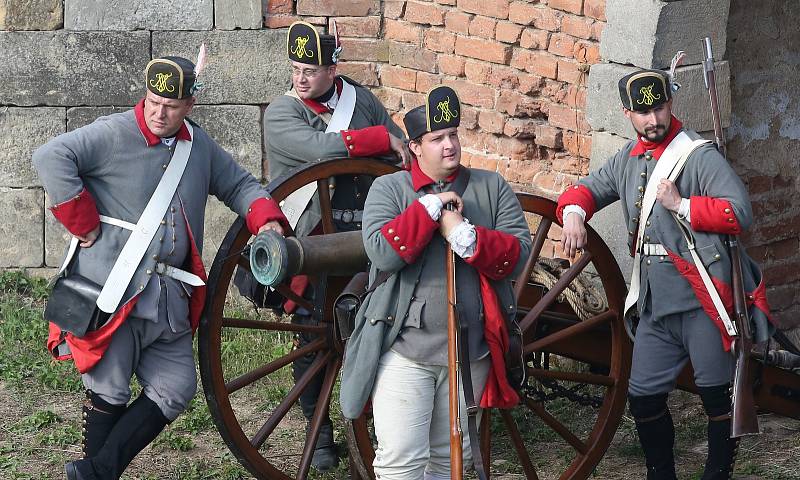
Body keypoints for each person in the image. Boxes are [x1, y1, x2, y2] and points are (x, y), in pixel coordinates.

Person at [33, 54, 289, 480]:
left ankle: (94, 473)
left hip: (169, 300)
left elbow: (240, 184)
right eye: (152, 101)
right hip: (112, 292)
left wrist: (270, 223)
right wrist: (84, 223)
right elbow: (51, 156)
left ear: (190, 104)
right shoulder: (114, 132)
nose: (158, 111)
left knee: (175, 388)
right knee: (109, 392)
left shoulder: (198, 146)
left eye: (170, 105)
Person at [557, 69, 772, 480]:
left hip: (701, 299)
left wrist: (683, 205)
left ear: (670, 104)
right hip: (655, 303)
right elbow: (586, 189)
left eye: (658, 108)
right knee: (643, 398)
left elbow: (738, 211)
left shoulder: (698, 156)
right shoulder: (628, 159)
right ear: (627, 113)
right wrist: (573, 213)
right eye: (642, 112)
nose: (652, 119)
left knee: (717, 401)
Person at [339, 86, 532, 480]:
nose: (450, 146)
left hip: (470, 351)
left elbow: (519, 252)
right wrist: (427, 212)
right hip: (404, 349)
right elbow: (381, 251)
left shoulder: (490, 187)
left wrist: (466, 235)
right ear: (414, 147)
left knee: (448, 461)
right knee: (400, 463)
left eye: (454, 135)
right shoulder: (390, 190)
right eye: (437, 139)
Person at [253, 20, 409, 470]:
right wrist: (378, 141)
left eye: (311, 69)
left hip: (368, 232)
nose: (300, 78)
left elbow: (401, 152)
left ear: (332, 68)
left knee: (386, 329)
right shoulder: (282, 113)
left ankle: (385, 428)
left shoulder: (361, 101)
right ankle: (319, 437)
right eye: (296, 67)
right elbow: (318, 149)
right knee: (312, 335)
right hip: (313, 236)